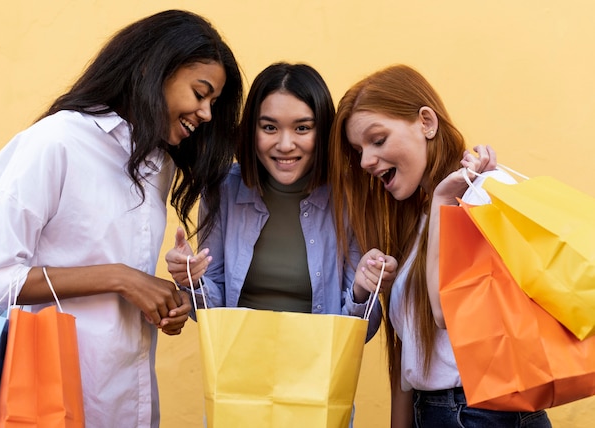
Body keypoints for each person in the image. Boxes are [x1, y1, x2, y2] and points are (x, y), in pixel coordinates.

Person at [0, 9, 243, 427]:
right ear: (154, 69)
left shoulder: (159, 165)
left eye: (213, 103)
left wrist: (163, 304)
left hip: (129, 402)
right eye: (200, 93)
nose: (206, 114)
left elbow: (122, 289)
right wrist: (122, 277)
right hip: (48, 400)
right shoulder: (56, 142)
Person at [328, 64, 553, 427]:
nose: (366, 161)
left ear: (427, 123)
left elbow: (446, 313)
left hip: (481, 413)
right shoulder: (415, 222)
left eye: (378, 140)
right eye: (359, 150)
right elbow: (410, 356)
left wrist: (444, 202)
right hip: (438, 412)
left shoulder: (482, 192)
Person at [165, 62, 391, 339]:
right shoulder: (223, 189)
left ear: (323, 133)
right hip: (239, 369)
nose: (285, 145)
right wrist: (192, 279)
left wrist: (360, 290)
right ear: (251, 131)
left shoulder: (350, 197)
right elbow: (212, 312)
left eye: (302, 128)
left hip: (317, 374)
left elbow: (363, 332)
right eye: (270, 127)